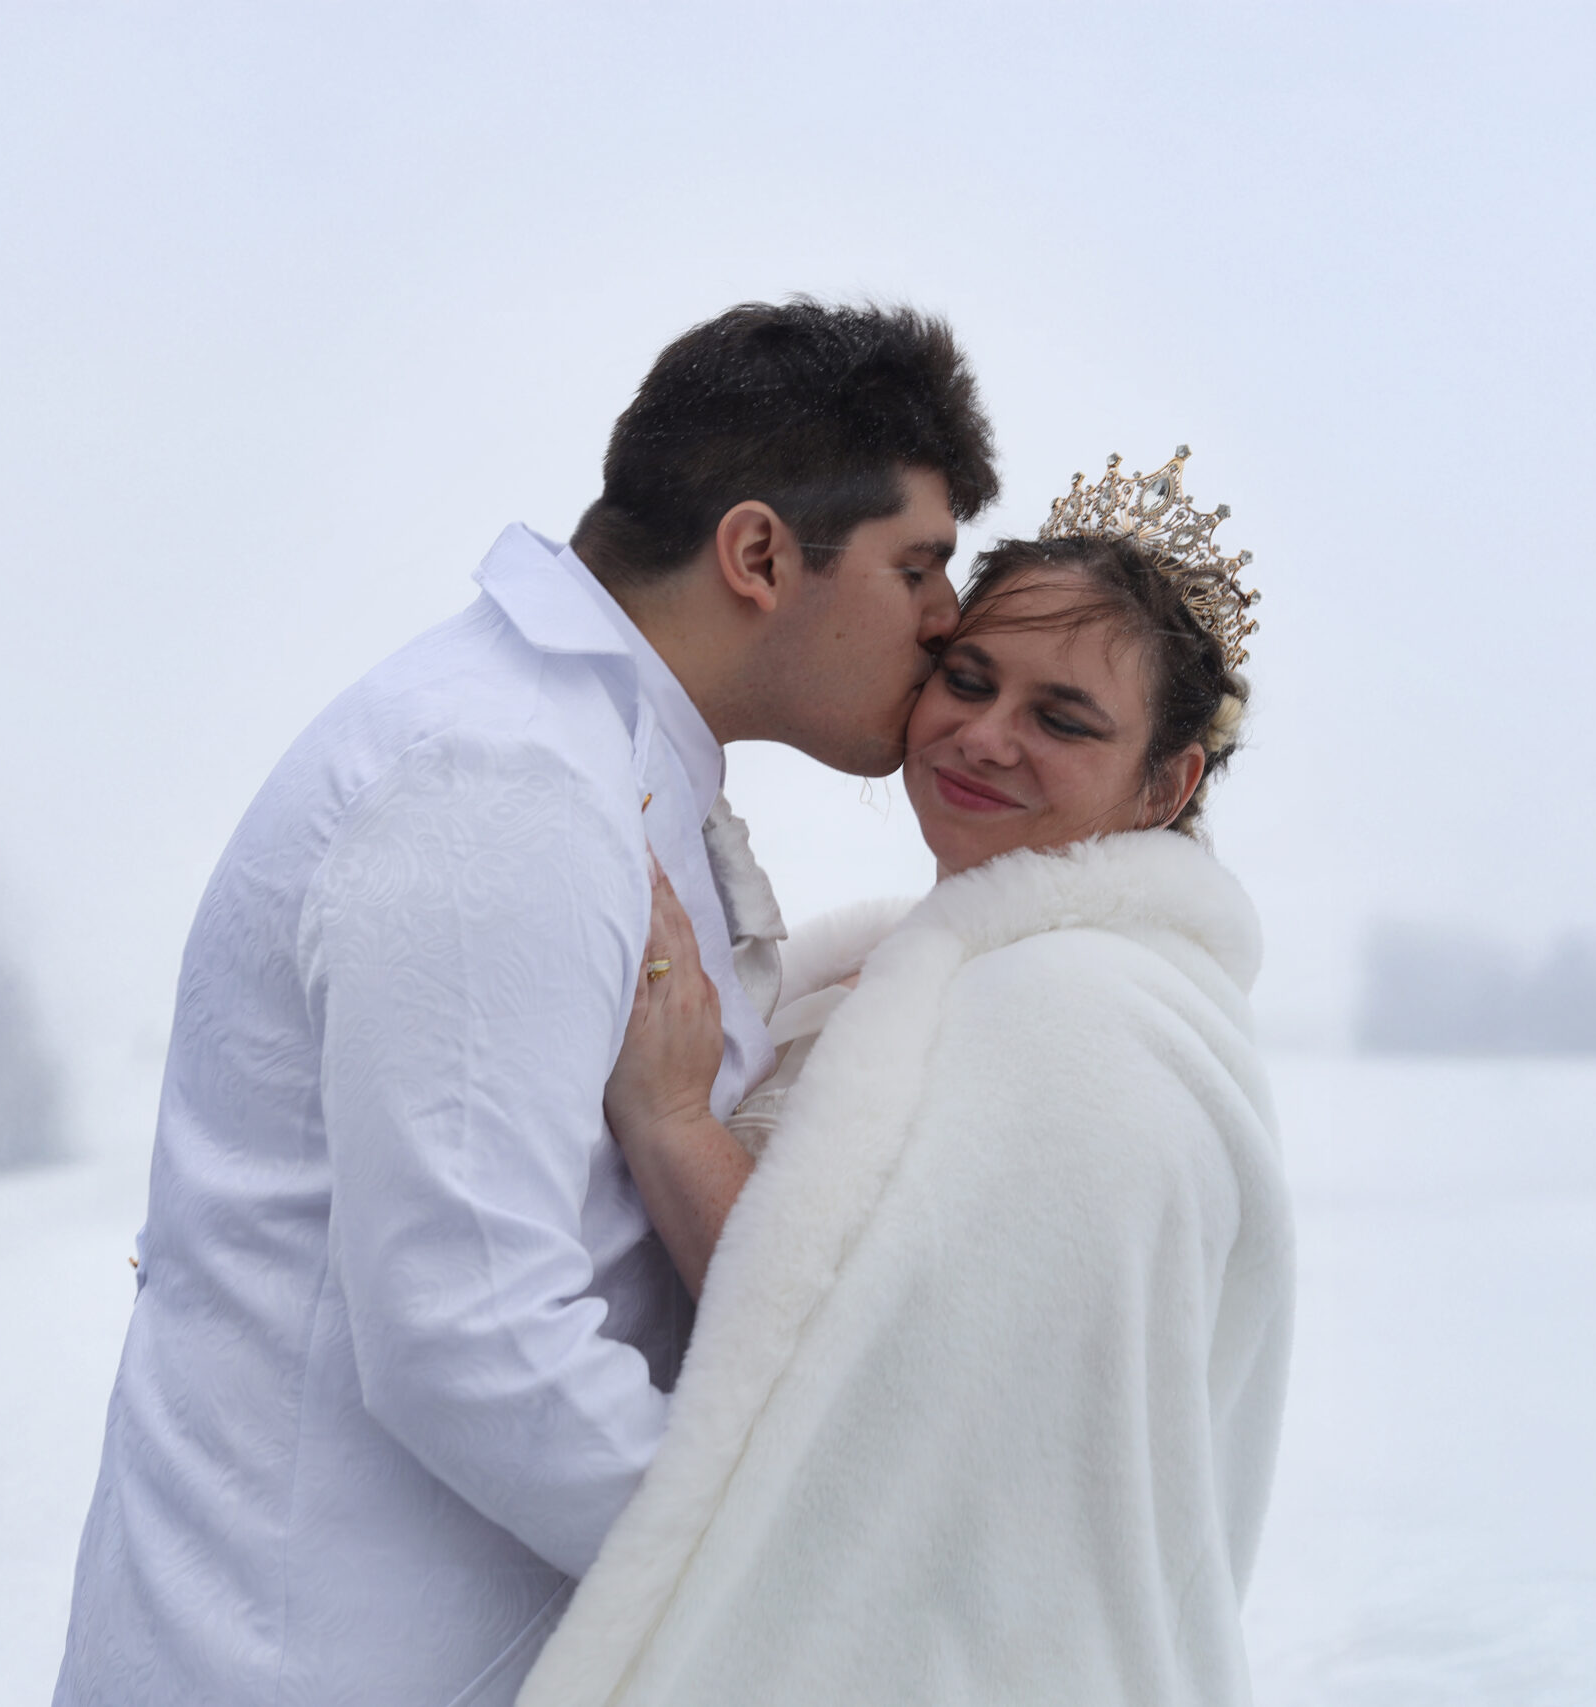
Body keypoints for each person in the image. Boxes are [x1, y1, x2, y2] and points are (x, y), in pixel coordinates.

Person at [51, 300, 999, 1707]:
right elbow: (472, 1335)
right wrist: (798, 1582)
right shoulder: (497, 780)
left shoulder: (587, 750)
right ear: (757, 553)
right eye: (918, 565)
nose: (946, 620)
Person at [518, 450, 1293, 1707]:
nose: (984, 736)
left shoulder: (1077, 1021)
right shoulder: (908, 978)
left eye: (1062, 718)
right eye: (968, 678)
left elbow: (852, 1364)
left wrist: (668, 1119)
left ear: (1167, 784)